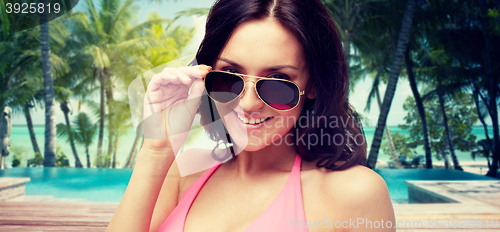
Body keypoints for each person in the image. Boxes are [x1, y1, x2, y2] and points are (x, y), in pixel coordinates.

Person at [106, 0, 395, 231]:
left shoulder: (355, 193)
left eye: (279, 80)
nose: (248, 103)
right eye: (230, 74)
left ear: (314, 85)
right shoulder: (184, 171)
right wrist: (157, 150)